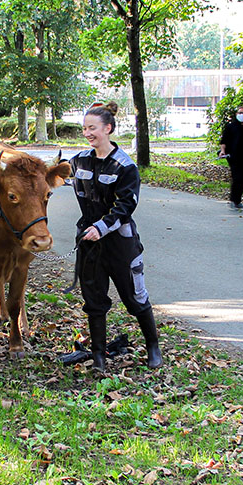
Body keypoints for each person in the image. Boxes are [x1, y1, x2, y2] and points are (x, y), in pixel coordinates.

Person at [69, 101, 163, 374]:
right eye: (84, 128)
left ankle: (153, 346)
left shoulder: (126, 167)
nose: (87, 133)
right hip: (89, 244)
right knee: (94, 300)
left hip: (120, 244)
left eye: (93, 128)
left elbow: (125, 207)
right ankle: (98, 356)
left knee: (135, 298)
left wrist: (101, 227)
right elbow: (54, 177)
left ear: (108, 129)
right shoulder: (79, 161)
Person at [219, 105, 243, 211]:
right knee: (236, 177)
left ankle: (238, 200)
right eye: (240, 113)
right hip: (233, 155)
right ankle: (233, 200)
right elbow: (224, 141)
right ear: (236, 114)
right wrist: (223, 151)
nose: (242, 115)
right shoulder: (231, 126)